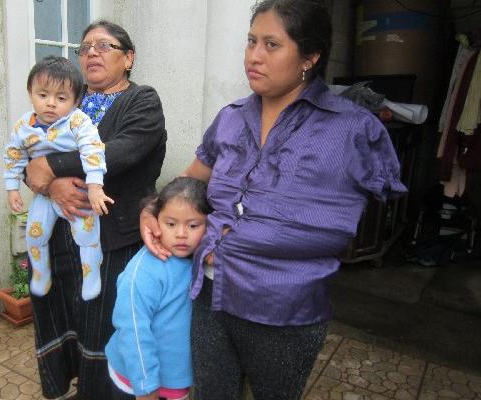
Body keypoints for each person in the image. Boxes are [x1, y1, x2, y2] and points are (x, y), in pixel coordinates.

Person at [141, 1, 407, 399]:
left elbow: (371, 203)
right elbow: (190, 179)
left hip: (283, 309)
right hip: (212, 296)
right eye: (250, 42)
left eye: (271, 44)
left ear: (310, 57)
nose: (254, 56)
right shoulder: (231, 118)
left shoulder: (351, 129)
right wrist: (152, 209)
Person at [23, 20, 167, 400]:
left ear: (129, 58)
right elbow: (29, 150)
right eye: (85, 47)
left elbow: (119, 152)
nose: (91, 53)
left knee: (105, 325)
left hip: (111, 240)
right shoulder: (68, 98)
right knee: (62, 315)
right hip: (61, 237)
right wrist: (49, 184)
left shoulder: (143, 102)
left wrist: (51, 168)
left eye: (104, 46)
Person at [3, 56, 113, 301]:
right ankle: (41, 274)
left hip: (79, 190)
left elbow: (93, 151)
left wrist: (95, 187)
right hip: (44, 194)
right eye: (43, 95)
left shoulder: (78, 122)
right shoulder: (23, 125)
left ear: (76, 101)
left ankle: (91, 272)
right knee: (34, 233)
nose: (51, 104)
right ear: (30, 92)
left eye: (61, 98)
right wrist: (12, 189)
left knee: (85, 234)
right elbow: (14, 155)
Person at [106, 177, 210, 400]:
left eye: (193, 225)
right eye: (171, 224)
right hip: (137, 383)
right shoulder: (144, 272)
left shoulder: (198, 260)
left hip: (175, 381)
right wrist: (146, 385)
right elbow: (132, 329)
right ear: (154, 222)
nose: (181, 234)